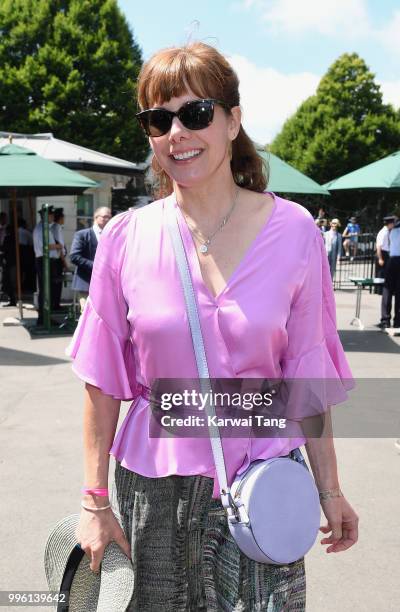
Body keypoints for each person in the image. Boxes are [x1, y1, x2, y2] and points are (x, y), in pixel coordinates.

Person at [67, 42, 358, 611]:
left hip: (265, 479)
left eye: (195, 113)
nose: (177, 131)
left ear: (232, 121)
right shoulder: (125, 239)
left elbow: (306, 376)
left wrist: (331, 490)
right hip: (155, 488)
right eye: (159, 118)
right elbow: (101, 384)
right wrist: (94, 501)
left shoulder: (295, 231)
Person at [69, 206, 111, 312]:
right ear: (96, 217)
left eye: (109, 217)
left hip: (105, 284)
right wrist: (95, 266)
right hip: (85, 283)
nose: (108, 220)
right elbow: (74, 256)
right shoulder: (82, 234)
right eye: (105, 217)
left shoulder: (111, 235)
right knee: (87, 314)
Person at [32, 206, 62, 325]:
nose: (53, 217)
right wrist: (58, 246)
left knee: (48, 290)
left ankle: (46, 316)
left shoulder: (45, 228)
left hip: (47, 260)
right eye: (51, 215)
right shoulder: (41, 229)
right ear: (46, 216)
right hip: (44, 260)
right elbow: (46, 245)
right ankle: (43, 318)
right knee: (45, 290)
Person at [381, 217, 400, 330]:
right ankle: (398, 321)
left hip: (392, 260)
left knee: (387, 290)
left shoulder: (390, 231)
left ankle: (385, 320)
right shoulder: (392, 231)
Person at [51, 208, 68, 310]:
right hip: (58, 260)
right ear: (60, 218)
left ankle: (55, 303)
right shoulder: (57, 227)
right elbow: (60, 247)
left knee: (55, 283)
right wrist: (64, 263)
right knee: (57, 283)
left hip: (57, 259)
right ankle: (56, 304)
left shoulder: (55, 227)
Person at [375, 215, 395, 296]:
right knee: (381, 273)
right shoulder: (383, 232)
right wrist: (380, 258)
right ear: (389, 224)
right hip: (382, 253)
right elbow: (379, 246)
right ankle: (379, 290)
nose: (393, 225)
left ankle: (382, 289)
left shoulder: (388, 231)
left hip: (385, 253)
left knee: (385, 272)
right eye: (392, 223)